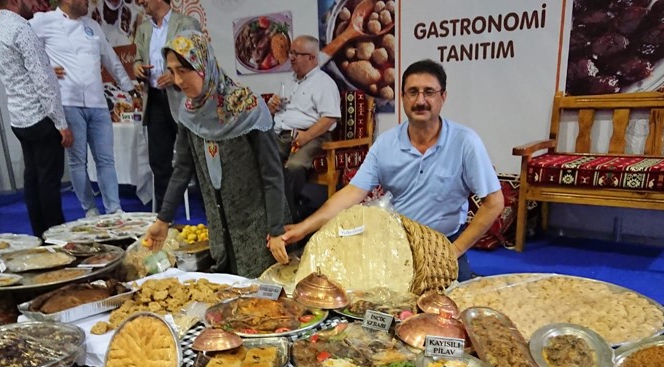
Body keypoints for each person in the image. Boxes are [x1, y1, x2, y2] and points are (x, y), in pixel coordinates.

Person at [279, 59, 504, 282]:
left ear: (442, 97)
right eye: (413, 92)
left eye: (429, 92)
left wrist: (454, 251)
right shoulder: (386, 144)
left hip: (445, 242)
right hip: (398, 244)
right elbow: (351, 193)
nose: (421, 101)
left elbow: (494, 202)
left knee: (452, 309)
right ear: (403, 98)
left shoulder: (465, 142)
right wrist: (303, 228)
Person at [144, 32, 288, 278]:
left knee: (262, 298)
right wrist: (163, 220)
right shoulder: (189, 112)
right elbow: (181, 169)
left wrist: (276, 231)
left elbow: (272, 174)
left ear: (203, 66)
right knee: (228, 289)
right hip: (220, 225)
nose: (178, 80)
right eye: (172, 71)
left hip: (258, 225)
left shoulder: (246, 107)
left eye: (183, 70)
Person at [31, 0, 137, 217]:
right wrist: (44, 69)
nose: (88, 2)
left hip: (97, 103)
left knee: (106, 159)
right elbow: (23, 51)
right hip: (68, 102)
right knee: (78, 161)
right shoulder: (42, 21)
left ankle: (114, 209)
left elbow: (111, 59)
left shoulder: (93, 26)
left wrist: (129, 87)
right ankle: (89, 209)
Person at [0, 0, 72, 238]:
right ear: (15, 2)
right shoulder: (21, 29)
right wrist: (61, 122)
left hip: (18, 116)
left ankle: (40, 234)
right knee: (49, 181)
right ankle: (57, 237)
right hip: (40, 116)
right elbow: (43, 81)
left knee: (33, 179)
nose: (34, 4)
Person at [133, 0, 200, 213]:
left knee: (196, 158)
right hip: (154, 100)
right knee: (159, 162)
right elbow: (136, 58)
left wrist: (175, 75)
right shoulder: (143, 29)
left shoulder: (187, 23)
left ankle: (212, 211)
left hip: (183, 101)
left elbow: (198, 59)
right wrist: (137, 68)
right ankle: (165, 218)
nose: (140, 2)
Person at [266, 35, 341, 221]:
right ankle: (275, 216)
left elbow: (330, 118)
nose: (291, 57)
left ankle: (290, 220)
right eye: (291, 52)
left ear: (311, 58)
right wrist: (271, 107)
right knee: (261, 161)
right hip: (281, 134)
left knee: (294, 166)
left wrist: (306, 136)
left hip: (314, 135)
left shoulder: (325, 83)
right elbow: (279, 111)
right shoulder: (288, 81)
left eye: (296, 54)